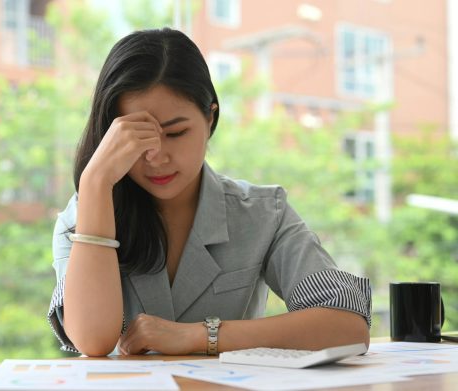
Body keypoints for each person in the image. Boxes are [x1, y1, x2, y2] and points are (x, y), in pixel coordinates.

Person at [47, 27, 371, 357]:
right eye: (135, 138)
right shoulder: (82, 217)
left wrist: (201, 335)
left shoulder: (263, 213)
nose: (156, 156)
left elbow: (348, 326)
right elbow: (92, 340)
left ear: (210, 118)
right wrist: (95, 182)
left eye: (176, 133)